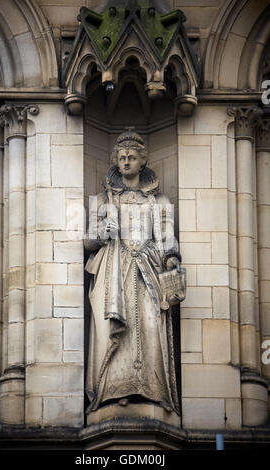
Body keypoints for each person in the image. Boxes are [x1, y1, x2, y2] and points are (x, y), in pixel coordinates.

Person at [84, 129, 183, 416]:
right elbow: (88, 241)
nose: (126, 162)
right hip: (113, 273)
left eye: (132, 157)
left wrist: (172, 260)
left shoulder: (159, 202)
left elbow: (168, 242)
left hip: (148, 271)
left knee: (151, 328)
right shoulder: (102, 201)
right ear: (116, 161)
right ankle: (116, 393)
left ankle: (153, 391)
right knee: (113, 332)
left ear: (142, 161)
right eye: (122, 157)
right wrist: (103, 232)